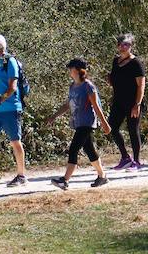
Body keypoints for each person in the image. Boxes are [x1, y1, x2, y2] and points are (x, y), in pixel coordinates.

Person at [46, 58, 111, 190]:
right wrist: (53, 116)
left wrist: (105, 123)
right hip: (78, 122)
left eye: (71, 68)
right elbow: (67, 105)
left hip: (87, 123)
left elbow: (96, 106)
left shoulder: (88, 86)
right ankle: (102, 176)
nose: (70, 71)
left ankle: (65, 180)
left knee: (74, 148)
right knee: (89, 150)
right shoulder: (72, 86)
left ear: (77, 70)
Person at [0, 34, 28, 187]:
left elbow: (12, 88)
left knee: (15, 142)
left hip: (10, 108)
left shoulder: (10, 62)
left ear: (0, 48)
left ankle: (21, 176)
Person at [106, 34, 145, 172]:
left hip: (132, 102)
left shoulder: (136, 63)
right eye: (121, 44)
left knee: (133, 130)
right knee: (112, 127)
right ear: (117, 46)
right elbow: (116, 80)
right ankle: (125, 157)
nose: (123, 47)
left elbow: (141, 85)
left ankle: (137, 161)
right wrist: (111, 80)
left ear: (131, 46)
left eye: (126, 44)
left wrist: (138, 104)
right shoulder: (115, 61)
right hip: (118, 101)